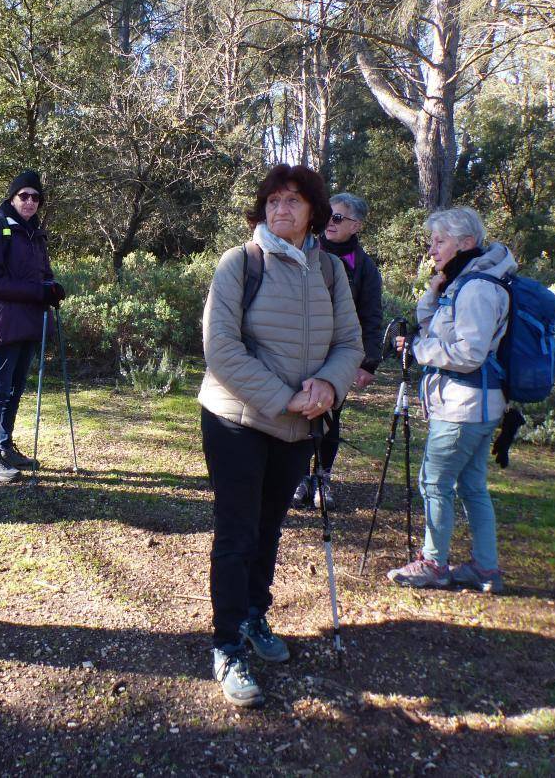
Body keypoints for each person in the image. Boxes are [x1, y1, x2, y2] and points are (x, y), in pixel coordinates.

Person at [198, 164, 363, 708]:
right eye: (273, 201)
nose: (281, 209)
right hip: (237, 419)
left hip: (299, 426)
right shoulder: (239, 264)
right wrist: (284, 396)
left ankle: (253, 615)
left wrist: (328, 388)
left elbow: (349, 343)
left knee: (269, 528)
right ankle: (227, 646)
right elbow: (221, 349)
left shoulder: (331, 271)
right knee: (237, 532)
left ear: (313, 210)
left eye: (293, 200)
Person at [387, 206, 514, 594]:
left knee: (435, 482)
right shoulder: (467, 282)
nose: (432, 249)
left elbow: (469, 353)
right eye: (432, 242)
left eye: (439, 242)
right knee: (472, 486)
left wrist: (420, 351)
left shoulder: (477, 288)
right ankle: (485, 569)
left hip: (464, 405)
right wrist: (436, 286)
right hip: (478, 403)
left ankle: (434, 564)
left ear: (467, 243)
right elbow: (433, 324)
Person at [0, 170, 65, 483]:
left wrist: (52, 286)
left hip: (30, 322)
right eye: (24, 195)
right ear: (12, 197)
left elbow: (41, 273)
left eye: (35, 197)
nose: (30, 202)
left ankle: (6, 446)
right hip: (3, 322)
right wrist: (38, 292)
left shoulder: (34, 233)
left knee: (16, 389)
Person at [293, 192, 384, 510]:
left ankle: (322, 478)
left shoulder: (366, 268)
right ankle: (299, 478)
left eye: (339, 218)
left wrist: (367, 363)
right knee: (298, 413)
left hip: (338, 355)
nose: (330, 222)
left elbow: (371, 317)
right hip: (300, 348)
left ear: (356, 225)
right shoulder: (304, 249)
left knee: (329, 416)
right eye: (328, 215)